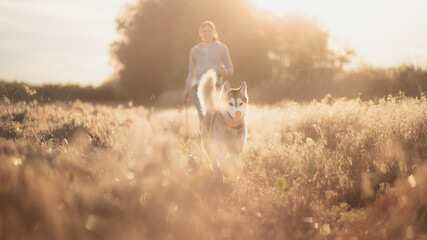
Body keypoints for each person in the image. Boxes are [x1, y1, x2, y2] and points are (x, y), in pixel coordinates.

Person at [182, 21, 233, 121]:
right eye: (204, 31)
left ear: (214, 33)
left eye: (209, 31)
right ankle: (205, 136)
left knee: (217, 116)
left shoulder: (222, 48)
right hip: (198, 86)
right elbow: (191, 72)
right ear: (200, 33)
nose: (207, 33)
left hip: (216, 86)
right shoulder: (194, 51)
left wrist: (224, 71)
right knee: (204, 117)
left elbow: (230, 69)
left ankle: (215, 136)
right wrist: (187, 90)